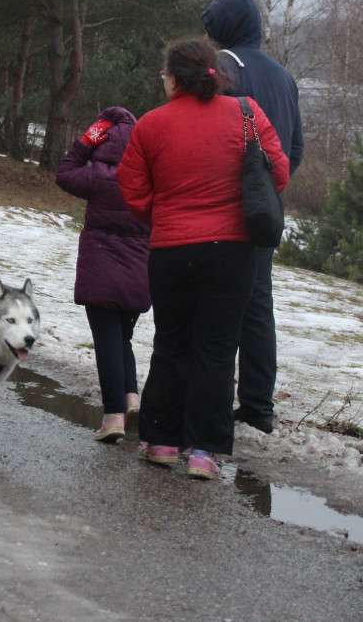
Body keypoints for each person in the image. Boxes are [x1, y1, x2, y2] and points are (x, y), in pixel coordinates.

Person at [116, 39, 289, 480]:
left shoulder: (152, 125)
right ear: (213, 74)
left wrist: (166, 216)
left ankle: (160, 441)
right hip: (232, 253)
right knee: (216, 348)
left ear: (174, 77)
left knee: (172, 343)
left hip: (171, 251)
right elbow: (279, 173)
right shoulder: (247, 113)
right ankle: (203, 451)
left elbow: (132, 189)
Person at [201, 0, 305, 435]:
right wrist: (269, 186)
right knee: (258, 305)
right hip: (265, 209)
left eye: (211, 26)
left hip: (219, 205)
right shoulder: (284, 78)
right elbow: (294, 147)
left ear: (223, 28)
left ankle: (210, 400)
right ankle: (259, 406)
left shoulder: (222, 66)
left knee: (213, 302)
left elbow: (203, 132)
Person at [55, 107, 149, 443]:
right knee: (121, 337)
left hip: (101, 268)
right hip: (140, 270)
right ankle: (131, 397)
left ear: (103, 141)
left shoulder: (95, 176)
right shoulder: (148, 178)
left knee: (108, 341)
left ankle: (113, 417)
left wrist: (85, 142)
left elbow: (64, 173)